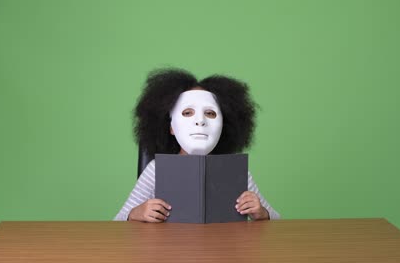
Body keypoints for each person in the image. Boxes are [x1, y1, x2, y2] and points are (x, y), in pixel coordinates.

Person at [114, 68, 280, 222]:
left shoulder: (237, 173)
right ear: (171, 127)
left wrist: (261, 212)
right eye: (187, 113)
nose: (200, 121)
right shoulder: (155, 170)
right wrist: (136, 213)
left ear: (224, 126)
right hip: (170, 249)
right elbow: (118, 220)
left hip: (222, 249)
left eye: (210, 113)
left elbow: (277, 219)